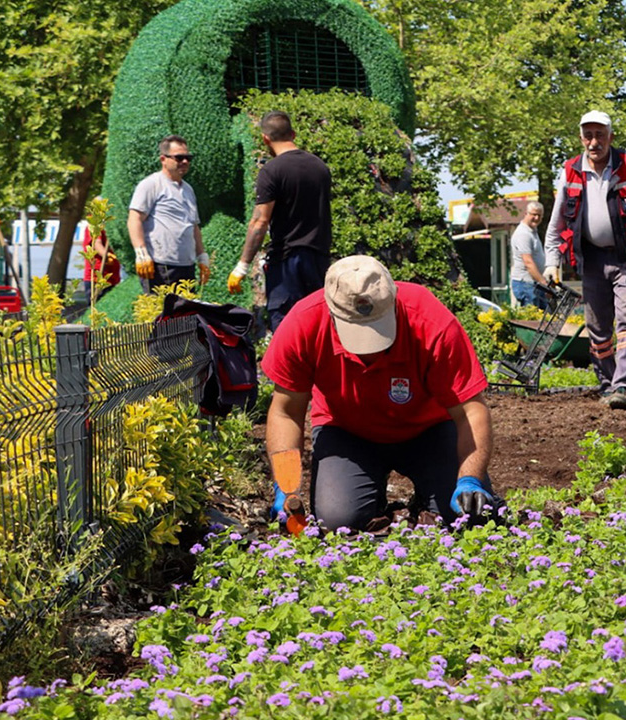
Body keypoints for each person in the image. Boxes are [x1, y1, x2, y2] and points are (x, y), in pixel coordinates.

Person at [261, 255, 497, 532]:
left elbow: (471, 410)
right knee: (339, 522)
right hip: (347, 432)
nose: (369, 347)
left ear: (394, 299)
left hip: (430, 429)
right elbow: (286, 411)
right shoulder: (303, 323)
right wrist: (286, 487)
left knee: (464, 515)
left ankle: (429, 496)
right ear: (331, 310)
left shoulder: (431, 321)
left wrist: (469, 479)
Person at [543, 110, 626, 411]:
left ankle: (624, 385)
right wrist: (552, 261)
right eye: (588, 135)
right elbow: (556, 223)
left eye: (600, 135)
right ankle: (607, 384)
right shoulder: (570, 171)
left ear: (611, 137)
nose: (594, 141)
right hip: (591, 259)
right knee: (598, 327)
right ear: (581, 138)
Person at [228, 111, 334, 331]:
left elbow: (259, 222)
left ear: (265, 138)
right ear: (293, 133)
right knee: (318, 325)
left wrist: (242, 266)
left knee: (287, 329)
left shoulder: (272, 170)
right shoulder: (320, 167)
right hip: (319, 259)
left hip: (287, 261)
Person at [127, 135, 210, 292]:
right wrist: (141, 252)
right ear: (163, 159)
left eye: (188, 157)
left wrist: (202, 256)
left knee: (185, 316)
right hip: (161, 266)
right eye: (179, 158)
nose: (185, 162)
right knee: (162, 314)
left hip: (186, 266)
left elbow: (193, 226)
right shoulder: (151, 184)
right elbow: (134, 218)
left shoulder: (188, 189)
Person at [509, 201, 549, 310]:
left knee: (542, 319)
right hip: (526, 284)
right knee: (533, 321)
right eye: (533, 214)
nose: (536, 218)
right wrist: (543, 282)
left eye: (539, 215)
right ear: (526, 214)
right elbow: (528, 262)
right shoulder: (524, 234)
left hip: (534, 283)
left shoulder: (532, 231)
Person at [81, 226, 122, 300]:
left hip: (113, 278)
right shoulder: (95, 224)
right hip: (96, 278)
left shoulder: (110, 225)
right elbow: (97, 243)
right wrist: (106, 255)